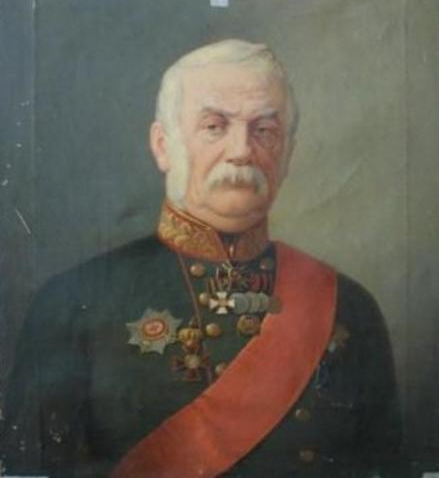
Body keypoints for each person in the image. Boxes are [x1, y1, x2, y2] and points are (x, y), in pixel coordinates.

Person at [0, 40, 406, 477]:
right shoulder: (72, 304)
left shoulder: (349, 307)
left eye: (264, 131)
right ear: (163, 146)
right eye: (215, 126)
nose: (241, 150)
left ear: (287, 154)